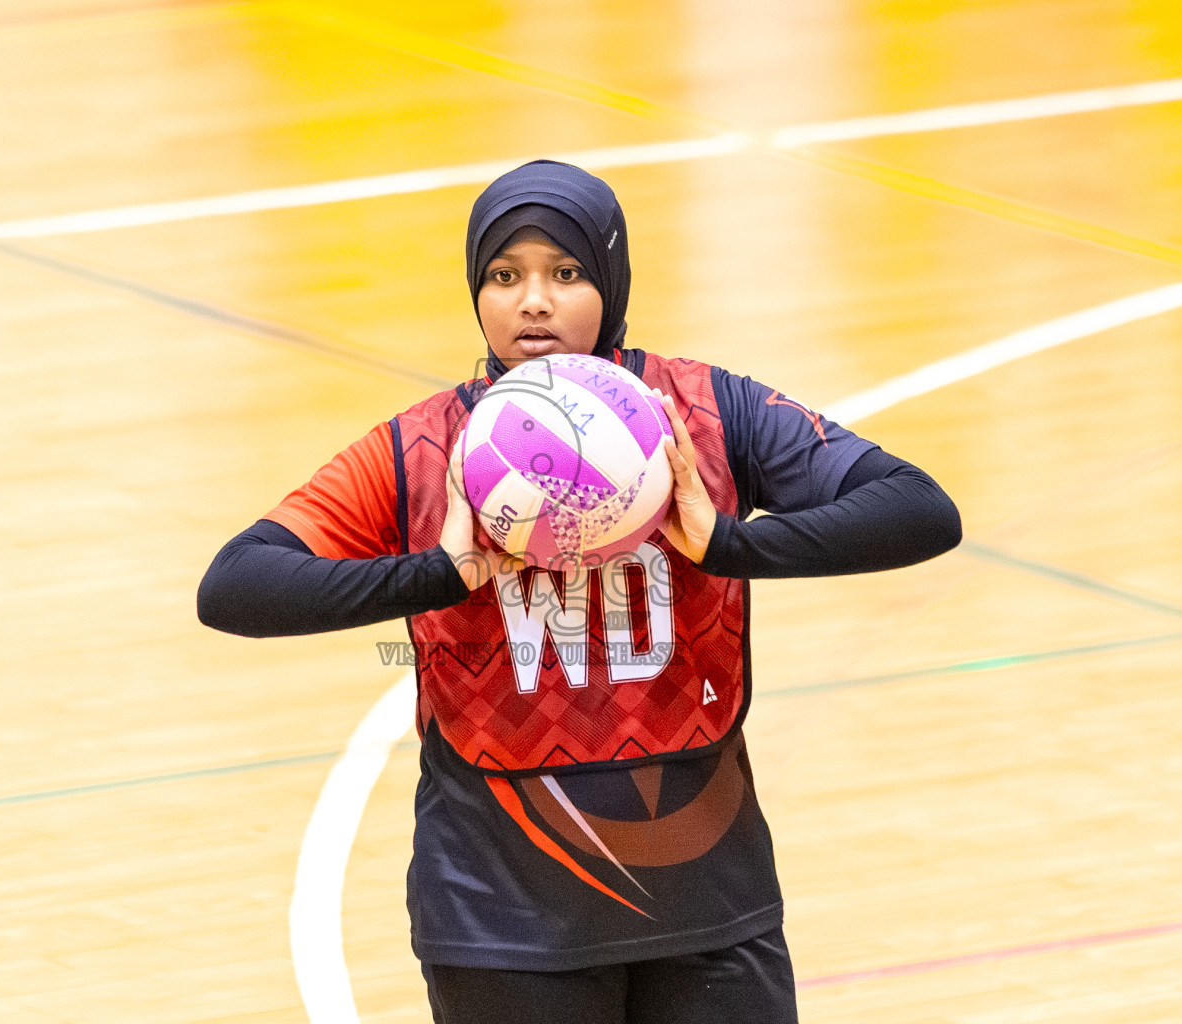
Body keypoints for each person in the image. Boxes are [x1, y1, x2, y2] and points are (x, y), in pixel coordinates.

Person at [198, 160, 962, 1023]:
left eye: (565, 274)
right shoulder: (423, 448)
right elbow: (236, 585)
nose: (534, 300)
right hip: (500, 926)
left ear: (611, 279)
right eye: (504, 275)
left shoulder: (706, 413)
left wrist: (729, 544)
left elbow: (918, 509)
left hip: (711, 910)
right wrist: (437, 573)